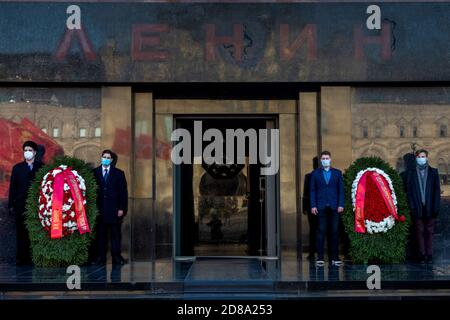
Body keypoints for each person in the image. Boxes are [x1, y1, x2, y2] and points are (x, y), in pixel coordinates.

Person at [8, 140, 44, 265]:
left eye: (30, 150)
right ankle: (21, 258)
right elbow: (12, 187)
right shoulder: (17, 168)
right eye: (25, 150)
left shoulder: (41, 167)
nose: (27, 152)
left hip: (37, 206)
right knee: (21, 233)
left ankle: (34, 258)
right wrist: (11, 205)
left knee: (35, 233)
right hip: (20, 205)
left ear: (35, 152)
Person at [93, 149, 128, 265]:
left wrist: (121, 208)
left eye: (108, 158)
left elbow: (123, 192)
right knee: (101, 236)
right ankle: (100, 257)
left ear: (111, 160)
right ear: (101, 158)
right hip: (100, 210)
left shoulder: (119, 173)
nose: (106, 159)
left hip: (114, 210)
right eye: (104, 157)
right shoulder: (95, 172)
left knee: (115, 235)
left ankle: (116, 257)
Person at [310, 151, 345, 267]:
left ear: (330, 159)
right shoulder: (315, 174)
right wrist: (313, 205)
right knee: (320, 232)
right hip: (320, 206)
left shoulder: (337, 173)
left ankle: (334, 258)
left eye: (327, 158)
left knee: (334, 232)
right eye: (323, 158)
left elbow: (341, 190)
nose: (325, 160)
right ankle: (320, 257)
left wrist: (341, 204)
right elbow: (312, 190)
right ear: (321, 160)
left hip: (335, 206)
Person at [406, 149, 440, 264]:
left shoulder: (433, 172)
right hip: (417, 207)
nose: (421, 158)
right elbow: (409, 191)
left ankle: (429, 254)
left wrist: (436, 206)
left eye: (423, 156)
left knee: (429, 231)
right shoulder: (411, 173)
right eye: (419, 156)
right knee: (419, 231)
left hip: (430, 206)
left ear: (427, 157)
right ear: (416, 158)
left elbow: (436, 191)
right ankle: (422, 255)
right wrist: (412, 206)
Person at [302, 157, 318, 260]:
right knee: (313, 230)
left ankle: (314, 252)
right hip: (311, 206)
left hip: (320, 206)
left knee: (316, 230)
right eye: (314, 163)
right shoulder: (308, 176)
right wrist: (304, 206)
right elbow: (305, 193)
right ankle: (312, 252)